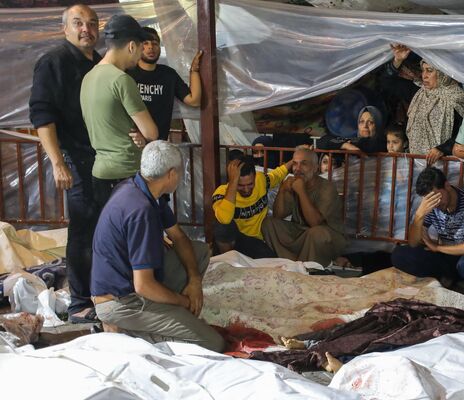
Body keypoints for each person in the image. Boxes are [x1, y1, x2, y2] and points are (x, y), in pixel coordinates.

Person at [91, 140, 224, 351]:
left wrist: (194, 280)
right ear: (171, 174)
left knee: (198, 251)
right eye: (180, 173)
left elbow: (179, 237)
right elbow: (143, 286)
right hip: (121, 302)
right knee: (213, 343)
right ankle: (126, 333)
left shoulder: (140, 189)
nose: (180, 178)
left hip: (131, 286)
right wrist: (183, 302)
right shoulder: (141, 211)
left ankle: (165, 316)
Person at [29, 4, 101, 323]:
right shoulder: (53, 63)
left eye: (92, 23)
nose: (86, 28)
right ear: (66, 29)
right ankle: (80, 303)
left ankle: (103, 291)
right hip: (75, 155)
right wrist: (58, 162)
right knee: (83, 227)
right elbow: (42, 115)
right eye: (78, 23)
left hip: (105, 157)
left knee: (104, 226)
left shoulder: (100, 64)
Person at [81, 14, 158, 209]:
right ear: (131, 46)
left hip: (100, 173)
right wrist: (143, 134)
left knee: (112, 235)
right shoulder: (122, 80)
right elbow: (151, 133)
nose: (141, 54)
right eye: (141, 48)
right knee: (133, 236)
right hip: (126, 173)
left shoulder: (88, 78)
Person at [391, 167, 464, 291]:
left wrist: (437, 247)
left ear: (447, 186)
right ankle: (446, 280)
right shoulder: (432, 204)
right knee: (400, 254)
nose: (436, 203)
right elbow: (413, 242)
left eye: (437, 197)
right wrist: (419, 216)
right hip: (447, 258)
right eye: (431, 199)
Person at [262, 147, 347, 267]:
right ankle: (294, 264)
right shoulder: (295, 183)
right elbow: (278, 215)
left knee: (316, 233)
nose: (298, 169)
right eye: (295, 164)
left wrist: (301, 192)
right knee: (269, 224)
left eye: (304, 164)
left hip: (328, 236)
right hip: (301, 232)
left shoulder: (327, 188)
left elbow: (315, 223)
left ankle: (308, 268)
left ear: (315, 168)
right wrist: (282, 190)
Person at [127, 27, 202, 141]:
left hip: (158, 146)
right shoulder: (127, 74)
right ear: (136, 46)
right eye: (145, 43)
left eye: (155, 43)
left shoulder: (168, 75)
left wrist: (194, 71)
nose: (151, 47)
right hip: (131, 145)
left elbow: (194, 101)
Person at [212, 154, 291, 258]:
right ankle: (228, 261)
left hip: (256, 240)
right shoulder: (221, 193)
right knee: (221, 225)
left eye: (250, 184)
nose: (246, 189)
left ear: (255, 177)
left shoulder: (261, 179)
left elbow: (278, 174)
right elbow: (224, 220)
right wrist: (233, 184)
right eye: (240, 185)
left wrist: (294, 160)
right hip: (235, 240)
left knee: (271, 260)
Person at [399, 47, 464, 164]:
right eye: (423, 70)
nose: (424, 75)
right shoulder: (419, 92)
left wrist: (443, 149)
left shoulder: (456, 97)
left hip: (445, 163)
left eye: (429, 70)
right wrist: (397, 60)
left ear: (443, 74)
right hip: (415, 162)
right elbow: (387, 82)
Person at [317, 106, 387, 153]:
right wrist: (345, 145)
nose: (365, 126)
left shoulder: (384, 142)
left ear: (378, 124)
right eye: (361, 121)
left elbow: (367, 144)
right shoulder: (354, 140)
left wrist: (345, 143)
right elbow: (322, 141)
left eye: (371, 122)